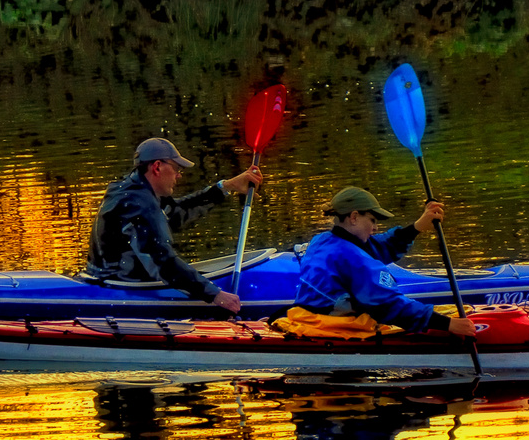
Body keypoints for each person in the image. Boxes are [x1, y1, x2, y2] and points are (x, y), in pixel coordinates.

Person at [85, 138, 262, 314]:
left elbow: (175, 213)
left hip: (107, 278)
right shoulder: (140, 203)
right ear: (157, 167)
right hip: (120, 287)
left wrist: (226, 186)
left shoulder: (128, 189)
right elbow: (163, 261)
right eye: (176, 169)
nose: (179, 175)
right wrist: (214, 294)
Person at [284, 186, 477, 337]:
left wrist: (418, 226)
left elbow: (378, 246)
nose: (375, 227)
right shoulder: (353, 257)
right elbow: (388, 305)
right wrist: (448, 325)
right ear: (353, 217)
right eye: (373, 220)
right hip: (334, 328)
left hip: (309, 315)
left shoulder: (323, 240)